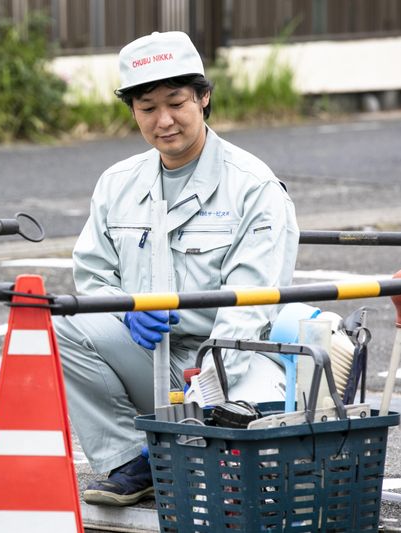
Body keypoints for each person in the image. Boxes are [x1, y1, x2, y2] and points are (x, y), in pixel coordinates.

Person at [53, 31, 299, 507]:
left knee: (246, 479)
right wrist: (126, 313)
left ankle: (195, 440)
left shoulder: (254, 188)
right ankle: (132, 461)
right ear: (133, 111)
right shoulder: (117, 183)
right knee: (65, 324)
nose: (164, 121)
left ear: (204, 98)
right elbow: (92, 276)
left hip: (230, 361)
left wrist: (205, 391)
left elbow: (249, 307)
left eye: (177, 102)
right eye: (147, 108)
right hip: (152, 357)